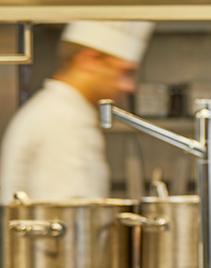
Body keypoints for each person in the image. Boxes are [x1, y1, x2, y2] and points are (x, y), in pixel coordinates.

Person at [0, 21, 154, 202]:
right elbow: (68, 218)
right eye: (124, 72)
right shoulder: (62, 119)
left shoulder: (61, 109)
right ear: (89, 60)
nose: (130, 87)